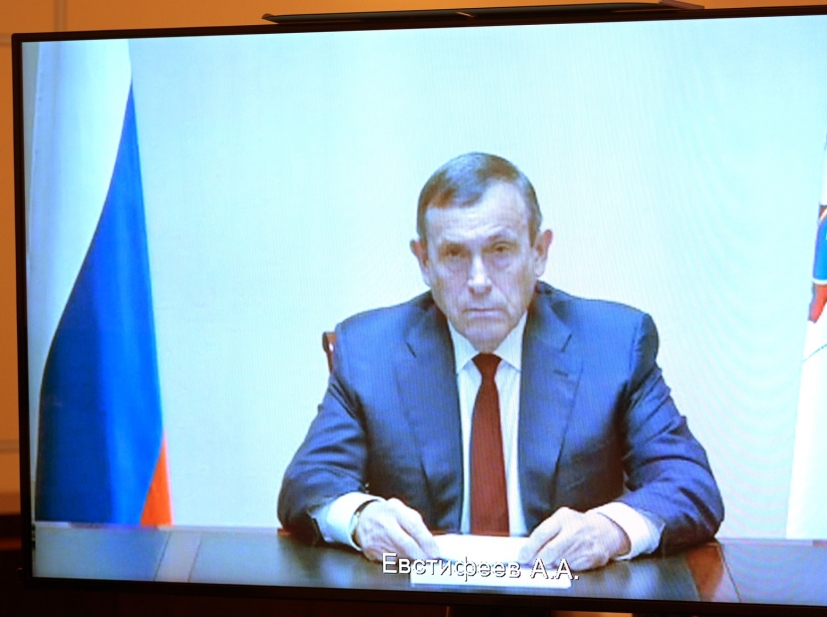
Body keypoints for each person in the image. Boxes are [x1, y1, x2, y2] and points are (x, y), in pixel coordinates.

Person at [278, 153, 723, 571]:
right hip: (423, 602)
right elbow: (308, 481)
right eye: (454, 254)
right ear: (425, 261)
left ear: (539, 252)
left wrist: (610, 530)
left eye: (500, 251)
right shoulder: (370, 351)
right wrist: (361, 517)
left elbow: (688, 483)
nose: (478, 281)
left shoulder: (613, 345)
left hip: (568, 601)